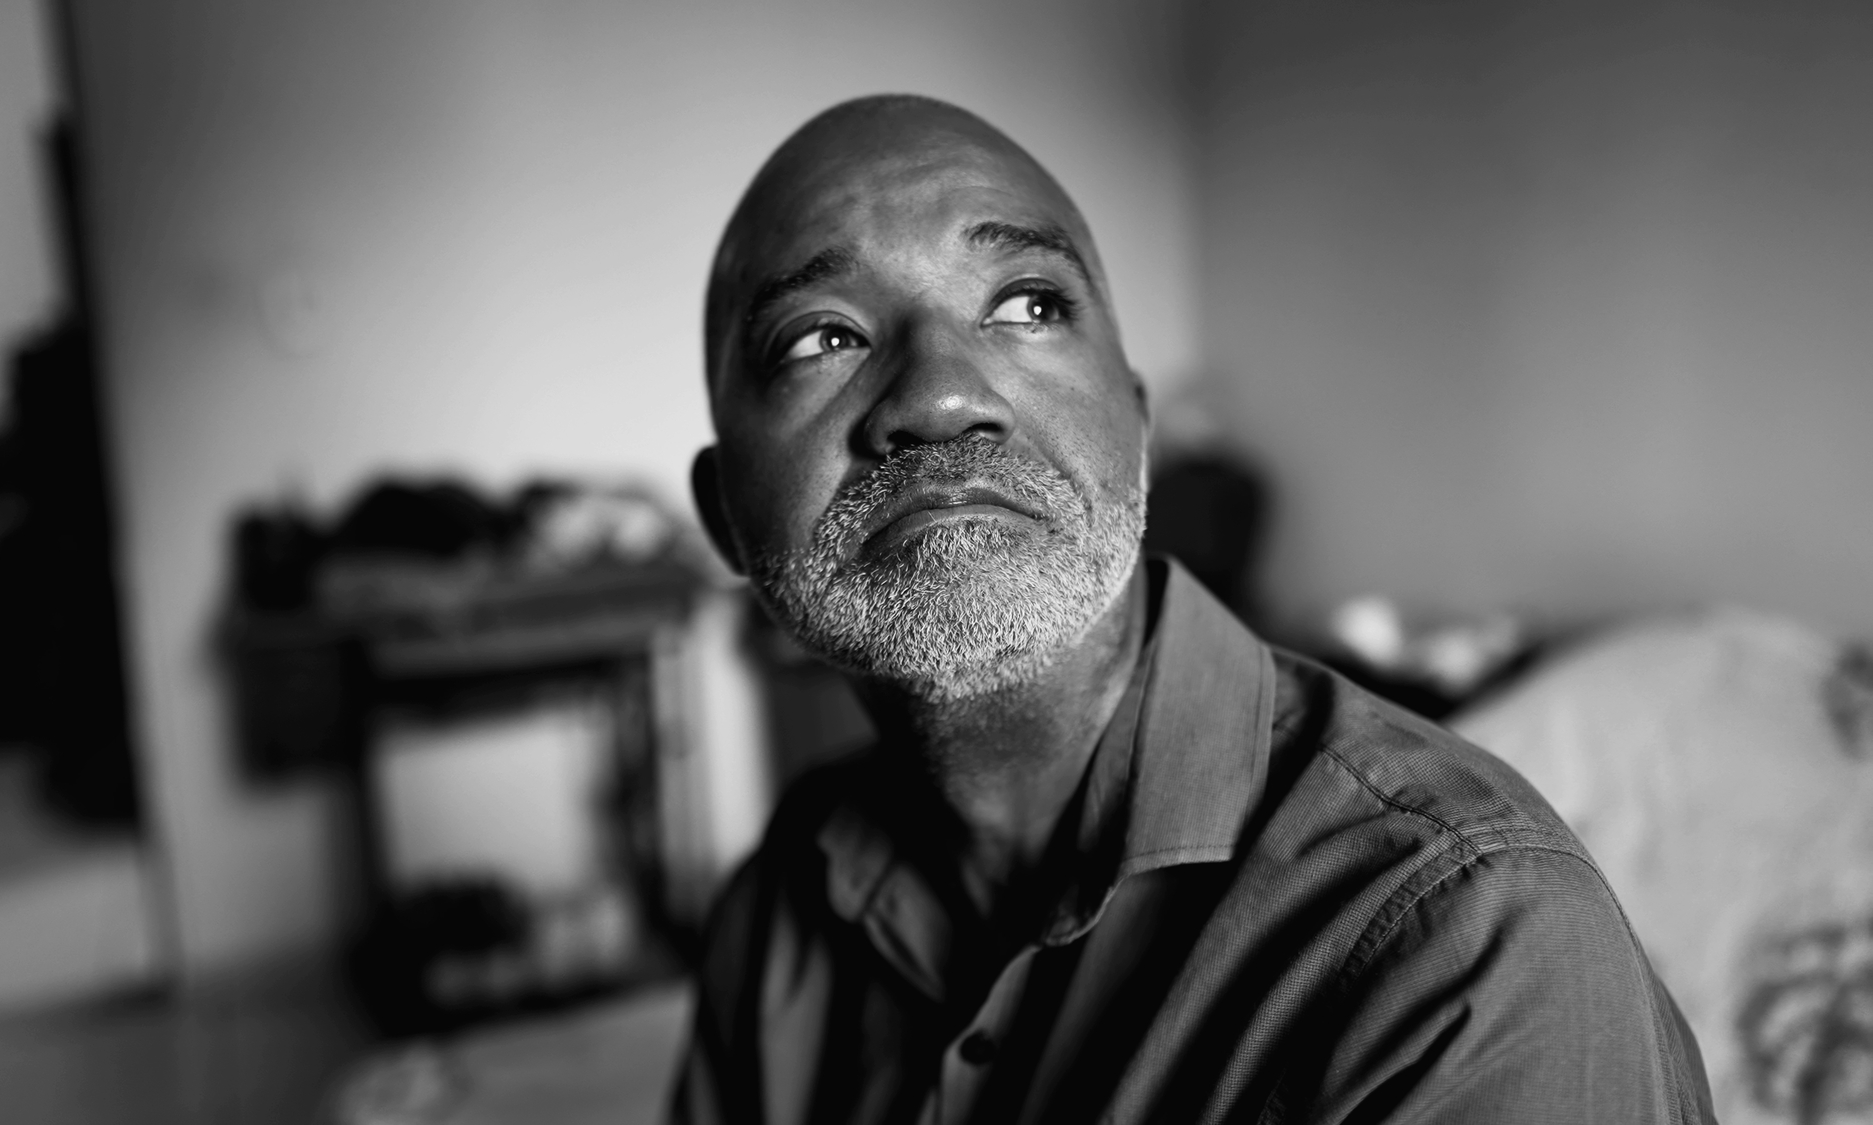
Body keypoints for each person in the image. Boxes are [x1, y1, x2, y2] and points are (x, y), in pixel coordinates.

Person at [675, 94, 1715, 1124]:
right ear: (725, 516)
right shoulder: (775, 909)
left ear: (1135, 429)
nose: (942, 396)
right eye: (820, 337)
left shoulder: (1463, 940)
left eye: (1027, 305)